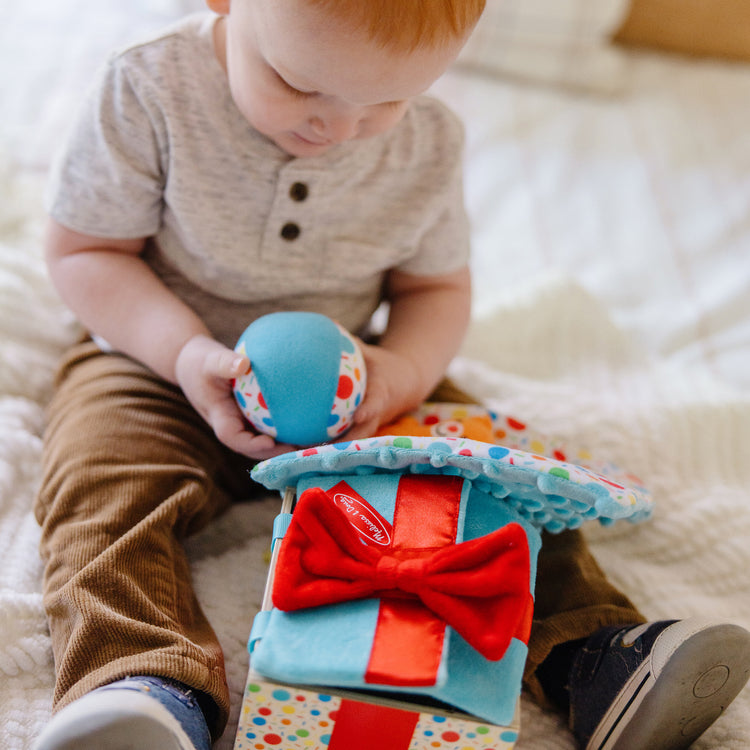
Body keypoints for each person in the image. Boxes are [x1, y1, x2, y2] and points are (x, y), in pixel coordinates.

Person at [33, 1, 750, 749]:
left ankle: (596, 659)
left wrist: (402, 369)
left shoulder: (428, 142)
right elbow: (86, 252)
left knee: (487, 476)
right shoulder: (150, 88)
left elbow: (434, 291)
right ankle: (141, 682)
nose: (337, 128)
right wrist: (181, 351)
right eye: (296, 83)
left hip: (358, 384)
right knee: (100, 488)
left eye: (385, 101)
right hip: (156, 362)